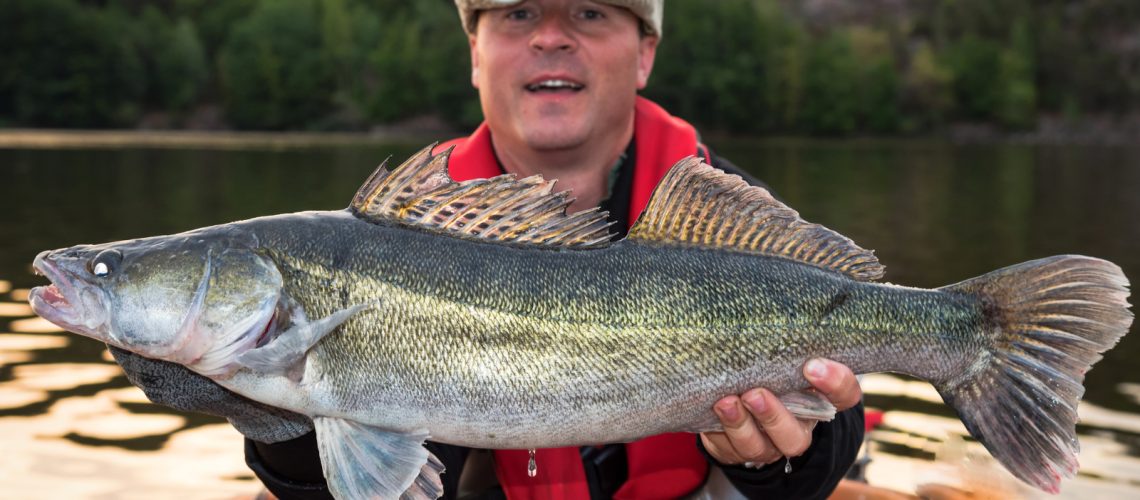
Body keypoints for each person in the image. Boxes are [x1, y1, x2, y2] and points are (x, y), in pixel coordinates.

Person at [112, 1, 866, 498]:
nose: (549, 34)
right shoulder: (394, 235)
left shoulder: (726, 220)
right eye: (516, 12)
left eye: (591, 11)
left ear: (644, 54)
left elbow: (839, 415)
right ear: (474, 53)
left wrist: (781, 459)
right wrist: (281, 428)